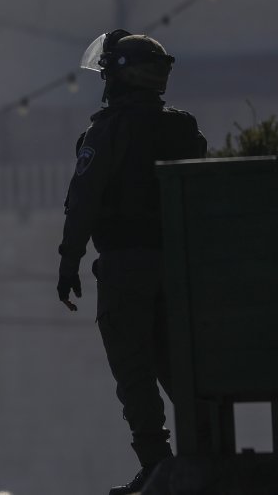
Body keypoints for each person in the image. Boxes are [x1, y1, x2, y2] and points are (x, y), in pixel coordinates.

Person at [56, 31, 207, 495]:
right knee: (179, 367)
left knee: (135, 369)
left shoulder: (106, 130)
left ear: (119, 76)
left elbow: (83, 200)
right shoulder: (183, 127)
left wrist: (69, 262)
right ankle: (205, 455)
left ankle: (157, 466)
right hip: (178, 268)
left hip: (125, 268)